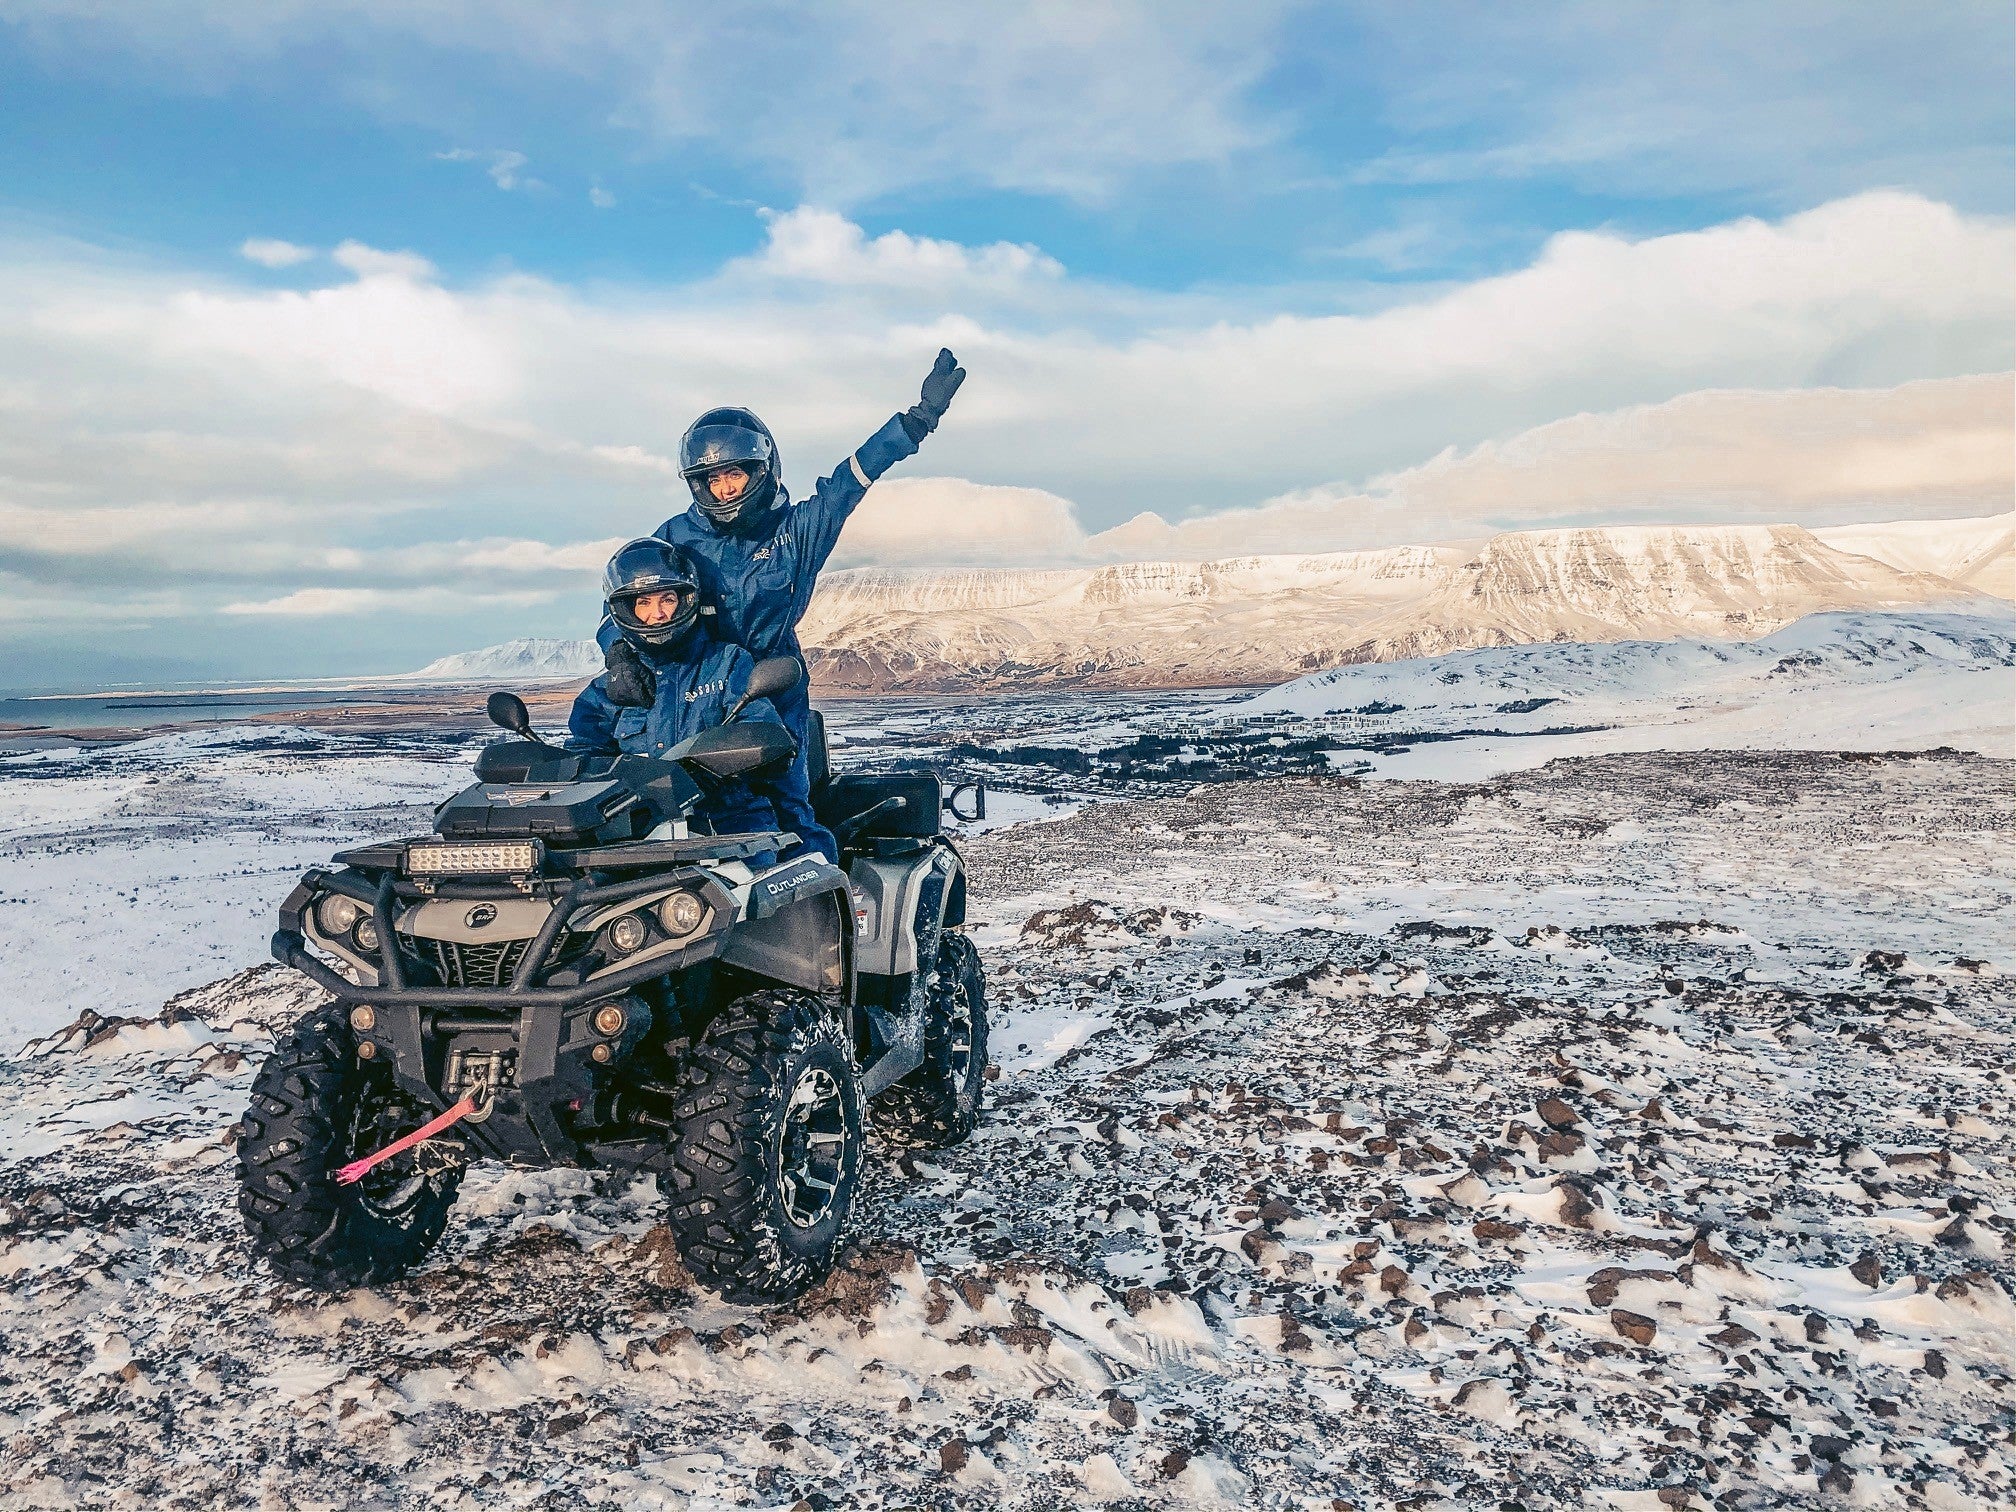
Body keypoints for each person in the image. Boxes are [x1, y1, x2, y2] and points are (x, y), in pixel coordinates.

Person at [597, 348, 966, 860]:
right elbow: (629, 595)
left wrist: (915, 423)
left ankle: (821, 914)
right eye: (711, 480)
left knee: (785, 808)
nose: (724, 490)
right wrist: (617, 654)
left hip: (770, 681)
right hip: (686, 683)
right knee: (653, 813)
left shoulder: (795, 533)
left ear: (761, 470)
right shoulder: (676, 537)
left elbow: (847, 484)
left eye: (734, 476)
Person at [568, 537, 808, 857]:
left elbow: (763, 733)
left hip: (729, 824)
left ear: (686, 600)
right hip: (635, 833)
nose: (658, 614)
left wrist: (711, 767)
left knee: (756, 892)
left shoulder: (726, 664)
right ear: (626, 610)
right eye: (643, 603)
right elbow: (579, 761)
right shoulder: (607, 691)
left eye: (666, 599)